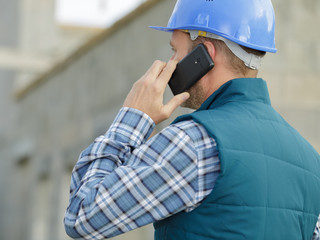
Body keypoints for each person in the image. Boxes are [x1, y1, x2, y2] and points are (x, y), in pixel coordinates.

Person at [64, 0, 320, 239]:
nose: (170, 64)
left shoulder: (192, 142)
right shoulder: (309, 159)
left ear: (205, 55)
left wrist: (131, 120)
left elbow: (82, 217)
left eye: (175, 51)